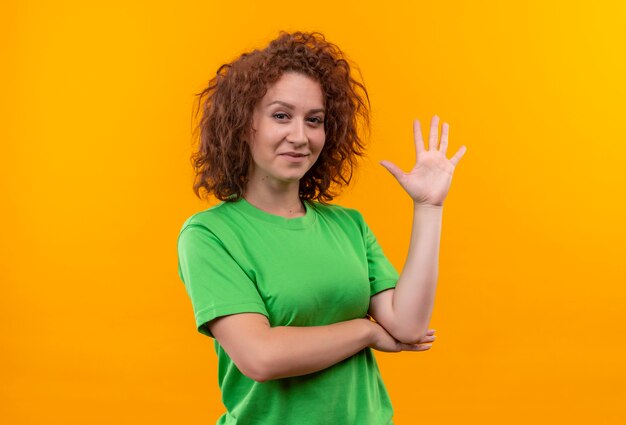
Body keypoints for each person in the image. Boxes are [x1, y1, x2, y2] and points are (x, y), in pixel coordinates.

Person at [177, 31, 466, 425]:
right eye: (281, 116)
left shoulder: (349, 226)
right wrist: (365, 333)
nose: (300, 136)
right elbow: (260, 357)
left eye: (314, 121)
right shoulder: (210, 235)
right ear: (244, 124)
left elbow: (409, 325)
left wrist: (429, 207)